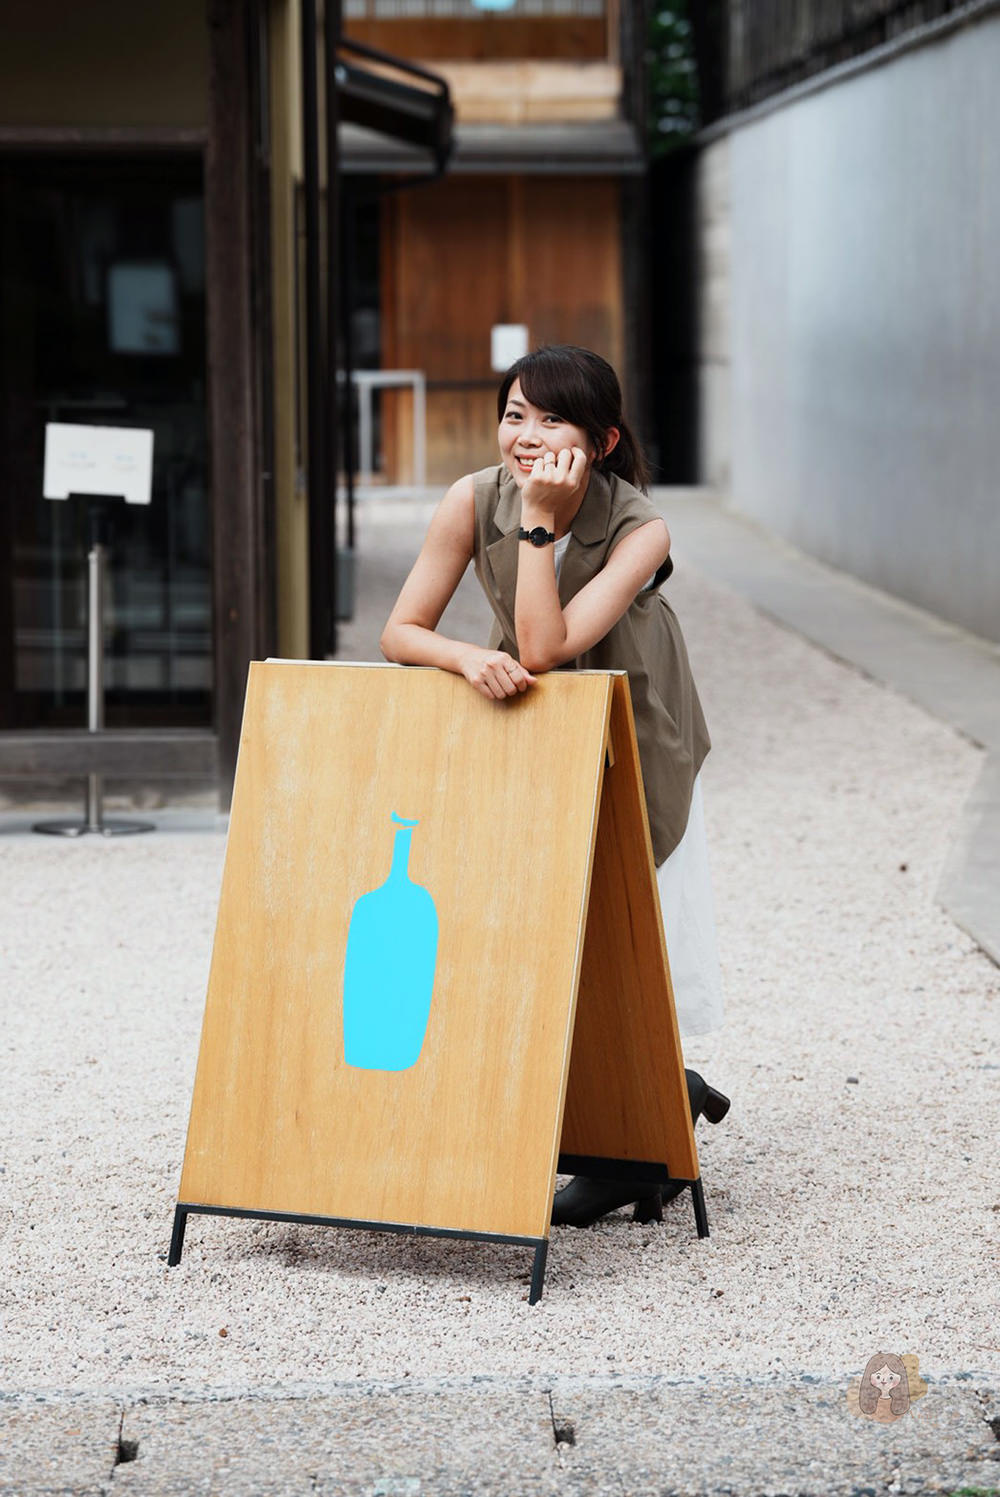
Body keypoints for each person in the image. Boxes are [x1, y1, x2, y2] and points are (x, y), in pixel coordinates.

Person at [381, 344, 729, 1227]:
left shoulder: (642, 526)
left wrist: (541, 527)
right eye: (513, 414)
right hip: (540, 721)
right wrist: (466, 658)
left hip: (635, 729)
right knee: (526, 922)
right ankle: (645, 1102)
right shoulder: (469, 498)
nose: (525, 436)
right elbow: (401, 630)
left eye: (550, 419)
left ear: (602, 439)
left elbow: (546, 643)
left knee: (623, 924)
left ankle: (642, 1117)